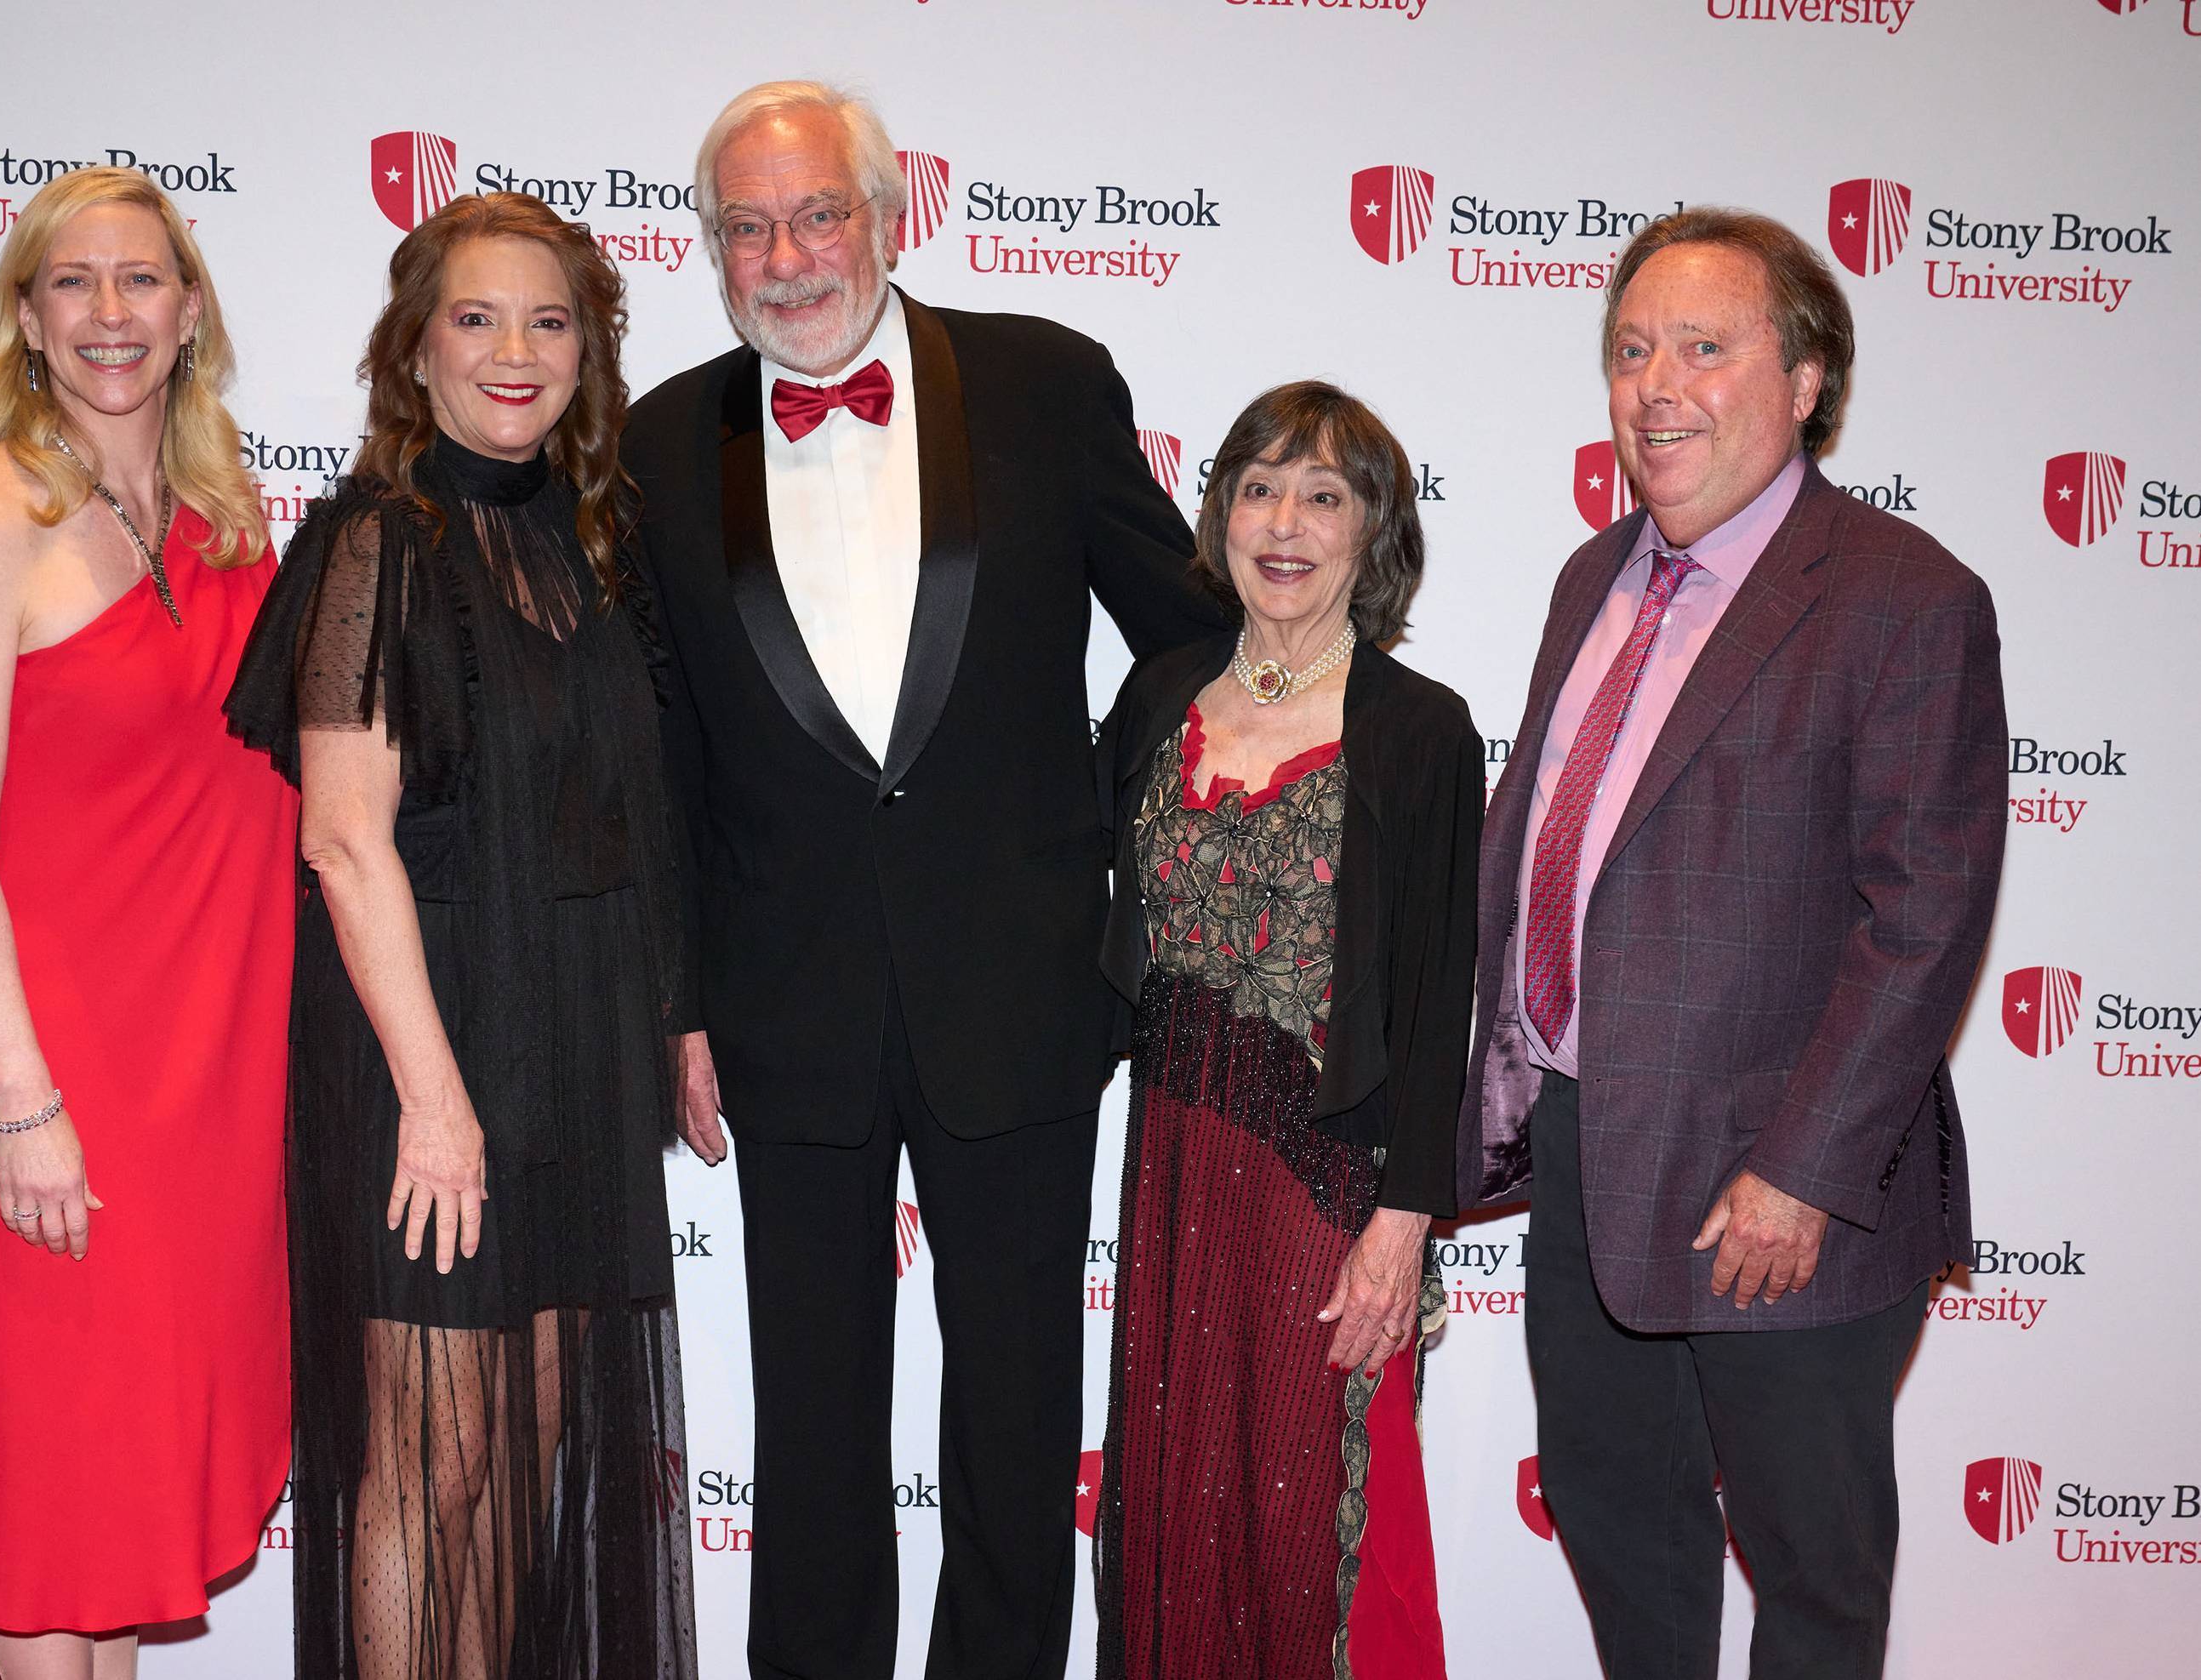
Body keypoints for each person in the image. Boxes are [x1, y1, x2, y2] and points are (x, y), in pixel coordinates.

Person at [620, 79, 1223, 1680]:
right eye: (746, 226)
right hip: (781, 1002)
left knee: (1020, 1410)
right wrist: (677, 1001)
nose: (787, 256)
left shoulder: (1043, 381)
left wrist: (1087, 847)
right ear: (712, 252)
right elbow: (665, 749)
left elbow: (1190, 639)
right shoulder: (657, 439)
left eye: (819, 214)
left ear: (892, 216)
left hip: (1019, 985)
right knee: (812, 1416)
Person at [1457, 208, 2006, 1679]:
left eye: (1705, 346)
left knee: (1811, 1571)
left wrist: (1803, 1170)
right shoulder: (1596, 578)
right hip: (1590, 1153)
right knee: (1617, 1518)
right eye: (1631, 351)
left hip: (1782, 1192)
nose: (1656, 385)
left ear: (1808, 378)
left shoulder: (1903, 598)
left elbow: (1926, 916)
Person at [224, 192, 696, 1680]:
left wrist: (673, 1023)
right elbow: (344, 842)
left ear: (587, 356)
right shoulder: (380, 541)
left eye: (549, 321)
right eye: (476, 318)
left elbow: (629, 822)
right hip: (429, 1054)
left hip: (574, 1055)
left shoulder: (584, 555)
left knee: (530, 1453)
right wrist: (434, 1106)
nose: (515, 351)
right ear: (414, 353)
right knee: (435, 1465)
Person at [0, 167, 292, 1677]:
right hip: (61, 1064)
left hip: (212, 1069)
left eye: (141, 281)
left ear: (190, 313)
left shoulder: (231, 516)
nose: (110, 314)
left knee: (126, 1470)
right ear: (29, 317)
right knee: (59, 1463)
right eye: (74, 283)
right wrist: (24, 1101)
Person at [1092, 382, 1476, 1680]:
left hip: (1330, 1192)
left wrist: (1404, 1223)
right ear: (1220, 514)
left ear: (1376, 532)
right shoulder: (1156, 701)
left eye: (1326, 494)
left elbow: (1439, 1003)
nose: (1287, 522)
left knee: (1315, 1525)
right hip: (1175, 1176)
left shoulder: (1422, 732)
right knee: (1180, 1508)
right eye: (1260, 486)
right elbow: (1086, 941)